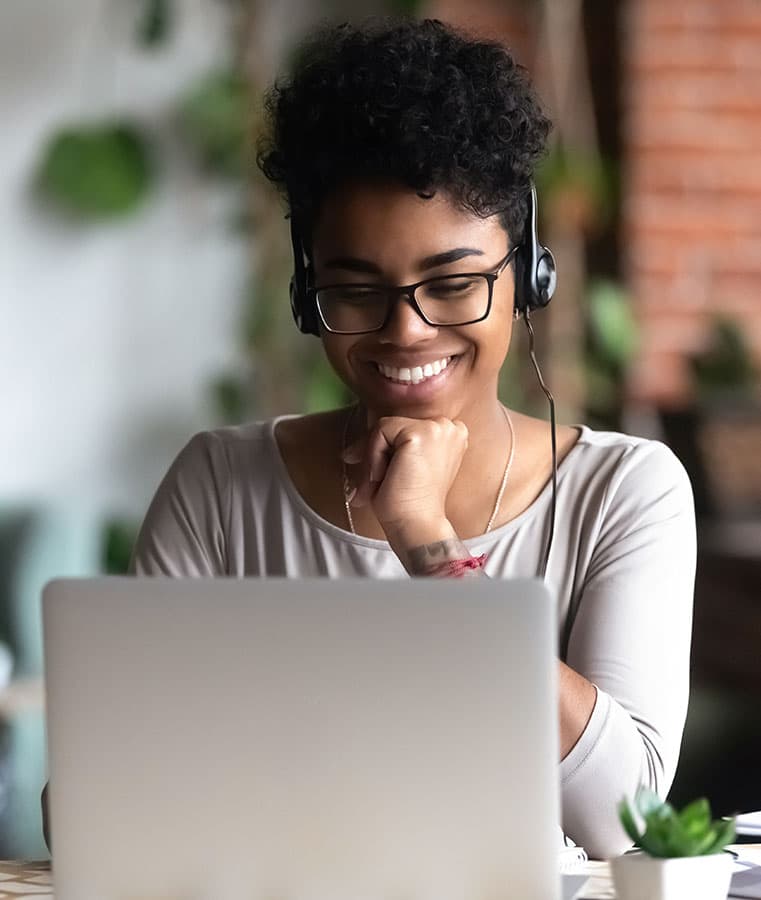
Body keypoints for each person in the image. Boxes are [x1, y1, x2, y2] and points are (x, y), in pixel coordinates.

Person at [126, 19, 695, 859]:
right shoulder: (220, 484)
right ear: (305, 291)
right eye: (356, 292)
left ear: (527, 275)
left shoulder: (623, 491)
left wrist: (428, 543)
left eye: (453, 283)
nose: (405, 332)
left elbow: (624, 821)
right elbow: (110, 802)